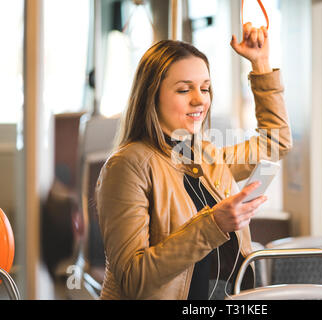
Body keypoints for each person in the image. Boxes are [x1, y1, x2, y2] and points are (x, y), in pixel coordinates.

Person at [96, 23, 292, 300]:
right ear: (152, 96)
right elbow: (133, 279)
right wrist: (213, 225)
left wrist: (260, 65)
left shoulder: (204, 157)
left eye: (205, 88)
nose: (199, 100)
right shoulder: (128, 165)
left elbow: (275, 143)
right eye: (184, 90)